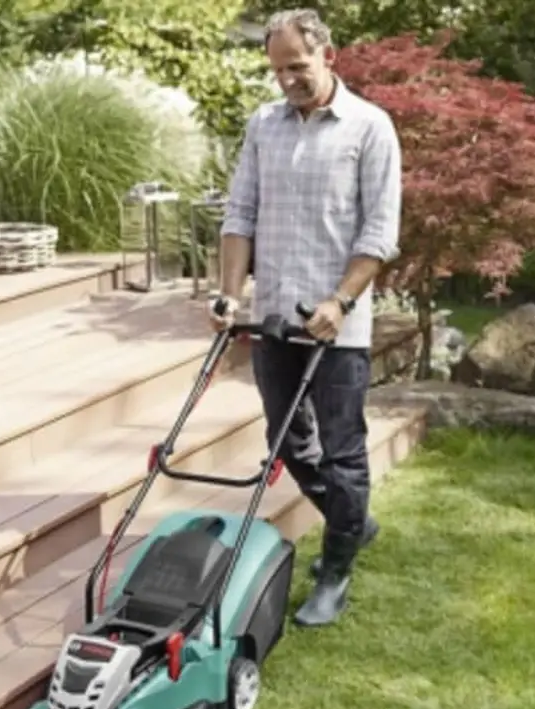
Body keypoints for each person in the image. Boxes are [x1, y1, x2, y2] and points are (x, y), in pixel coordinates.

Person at [212, 7, 403, 627]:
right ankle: (355, 521)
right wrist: (229, 294)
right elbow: (240, 213)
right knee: (287, 440)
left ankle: (336, 571)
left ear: (329, 57)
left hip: (337, 326)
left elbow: (379, 231)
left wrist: (340, 301)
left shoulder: (370, 127)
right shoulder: (264, 125)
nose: (287, 79)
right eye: (277, 69)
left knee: (343, 451)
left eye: (297, 66)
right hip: (274, 319)